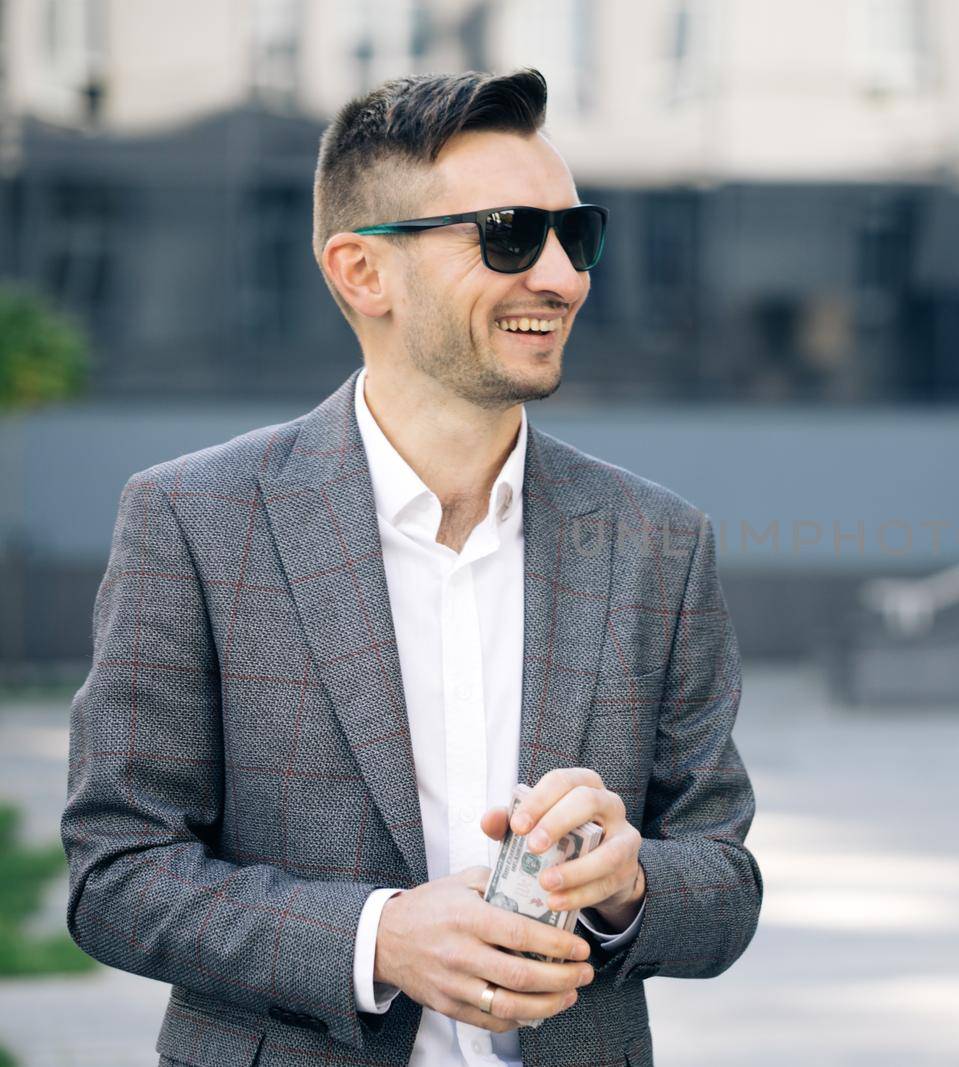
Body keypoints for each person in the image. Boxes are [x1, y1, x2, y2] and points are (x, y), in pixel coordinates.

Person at [59, 68, 761, 1067]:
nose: (562, 276)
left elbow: (726, 885)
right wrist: (375, 937)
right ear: (361, 272)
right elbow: (116, 876)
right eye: (511, 233)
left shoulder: (659, 541)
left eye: (579, 235)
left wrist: (629, 880)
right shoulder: (192, 519)